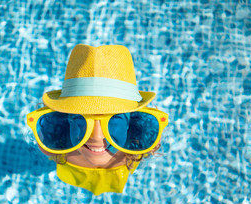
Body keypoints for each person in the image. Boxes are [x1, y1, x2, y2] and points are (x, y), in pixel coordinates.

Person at [27, 44, 168, 195]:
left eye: (114, 118)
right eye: (80, 118)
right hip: (75, 175)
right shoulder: (56, 146)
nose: (97, 136)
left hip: (117, 177)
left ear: (130, 122)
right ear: (66, 119)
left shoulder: (137, 148)